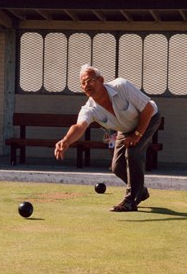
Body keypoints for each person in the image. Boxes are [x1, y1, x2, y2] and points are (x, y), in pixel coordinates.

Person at [54, 64, 161, 212]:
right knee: (117, 167)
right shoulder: (89, 109)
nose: (87, 85)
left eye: (90, 80)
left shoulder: (121, 86)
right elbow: (79, 127)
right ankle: (140, 191)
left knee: (133, 152)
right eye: (83, 83)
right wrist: (66, 140)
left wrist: (137, 135)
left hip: (148, 118)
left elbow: (148, 109)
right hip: (125, 129)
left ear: (101, 80)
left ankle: (130, 201)